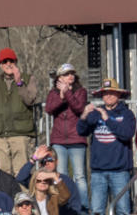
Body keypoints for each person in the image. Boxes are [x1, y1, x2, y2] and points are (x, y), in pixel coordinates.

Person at [78, 78, 137, 215]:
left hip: (120, 171)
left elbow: (127, 134)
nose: (108, 96)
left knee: (123, 210)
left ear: (119, 95)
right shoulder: (95, 114)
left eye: (112, 93)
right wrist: (84, 115)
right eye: (105, 93)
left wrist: (107, 119)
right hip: (98, 171)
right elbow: (81, 131)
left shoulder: (126, 114)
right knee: (97, 210)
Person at [0, 48, 39, 175]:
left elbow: (30, 100)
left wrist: (19, 83)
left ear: (16, 62)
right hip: (0, 134)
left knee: (22, 172)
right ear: (0, 65)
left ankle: (23, 195)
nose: (8, 64)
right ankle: (5, 195)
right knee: (2, 171)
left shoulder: (28, 78)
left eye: (11, 61)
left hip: (21, 133)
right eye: (4, 61)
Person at [45, 63, 89, 204]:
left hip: (76, 138)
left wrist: (68, 93)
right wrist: (61, 96)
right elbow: (49, 109)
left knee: (79, 176)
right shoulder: (53, 93)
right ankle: (65, 205)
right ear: (59, 78)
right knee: (62, 175)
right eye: (66, 74)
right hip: (59, 140)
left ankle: (82, 207)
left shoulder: (81, 91)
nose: (70, 76)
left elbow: (79, 108)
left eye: (72, 74)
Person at [15, 145, 83, 215]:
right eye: (43, 161)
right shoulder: (37, 178)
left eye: (50, 160)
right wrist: (34, 159)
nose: (46, 163)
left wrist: (54, 176)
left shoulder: (66, 181)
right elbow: (20, 178)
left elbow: (74, 204)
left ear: (57, 161)